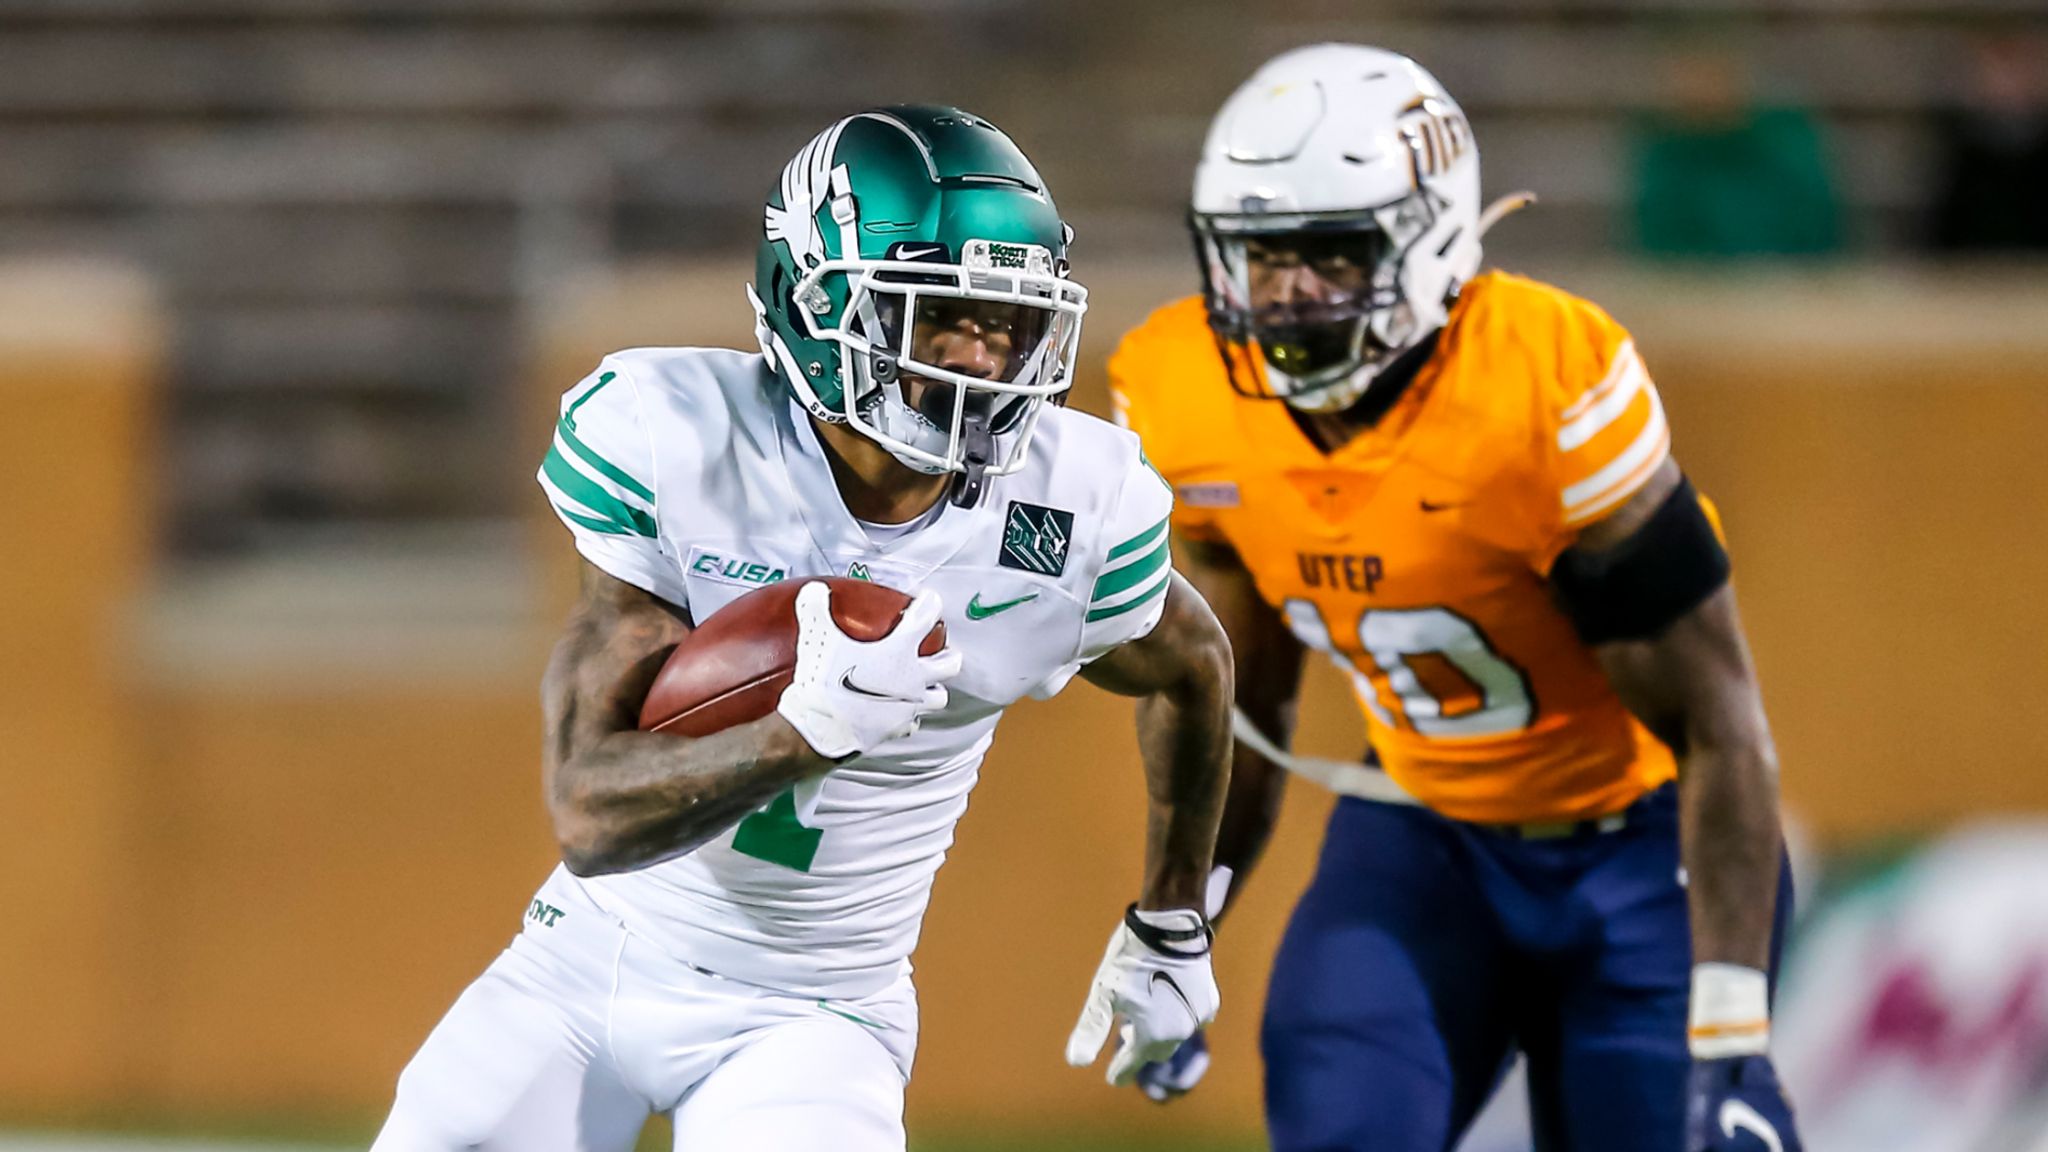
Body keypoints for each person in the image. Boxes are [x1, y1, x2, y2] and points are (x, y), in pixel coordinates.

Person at [372, 105, 1233, 1152]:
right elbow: (589, 814)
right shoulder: (678, 437)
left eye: (1004, 324)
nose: (978, 359)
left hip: (818, 1011)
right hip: (591, 958)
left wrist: (1171, 921)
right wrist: (800, 731)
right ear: (813, 299)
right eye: (939, 317)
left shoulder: (1075, 506)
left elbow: (1190, 668)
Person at [1109, 45, 1801, 1152]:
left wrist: (1731, 1037)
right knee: (1340, 1117)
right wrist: (1174, 927)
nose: (1283, 293)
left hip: (1636, 851)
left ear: (1429, 238)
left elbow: (1719, 725)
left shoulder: (1540, 384)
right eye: (1258, 257)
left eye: (1326, 255)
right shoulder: (1183, 392)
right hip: (1423, 838)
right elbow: (1234, 705)